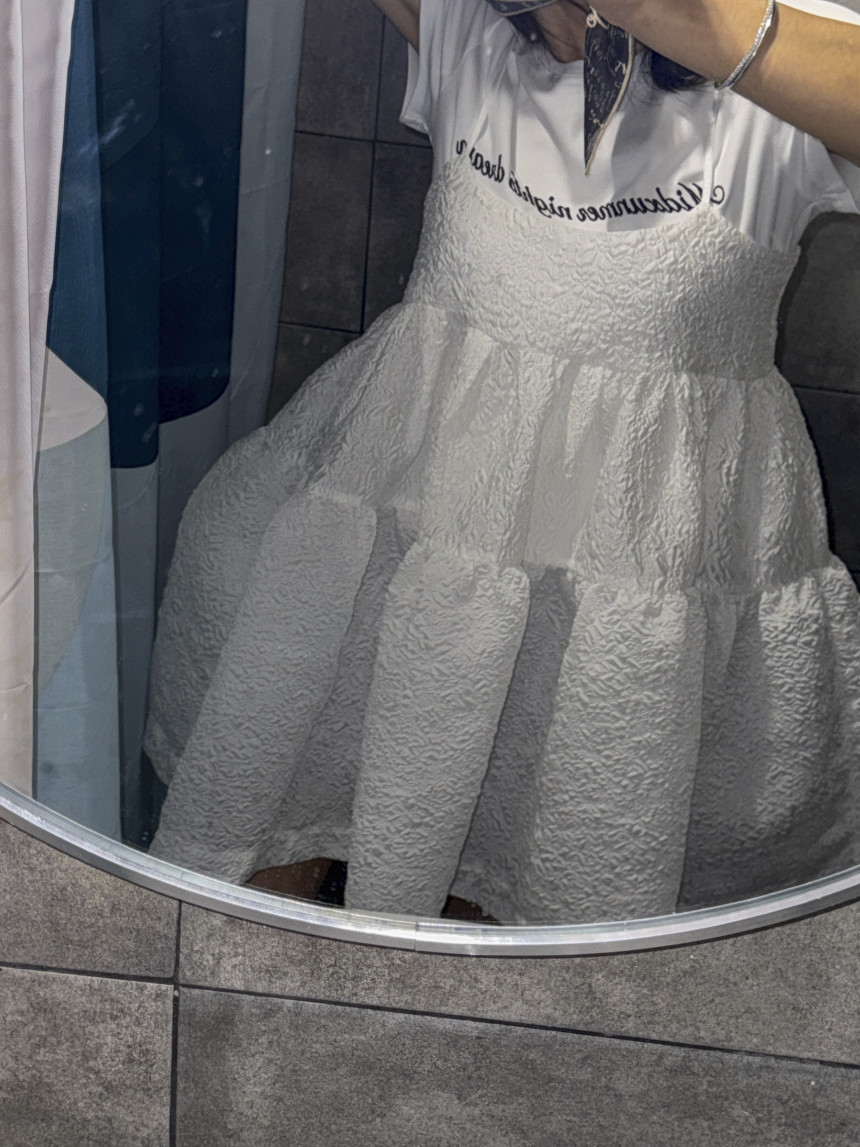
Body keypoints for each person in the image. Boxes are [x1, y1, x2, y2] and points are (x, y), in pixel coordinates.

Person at [144, 0, 860, 924]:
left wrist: (666, 16)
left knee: (561, 864)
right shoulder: (467, 31)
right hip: (419, 517)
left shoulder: (772, 85)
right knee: (304, 810)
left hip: (643, 565)